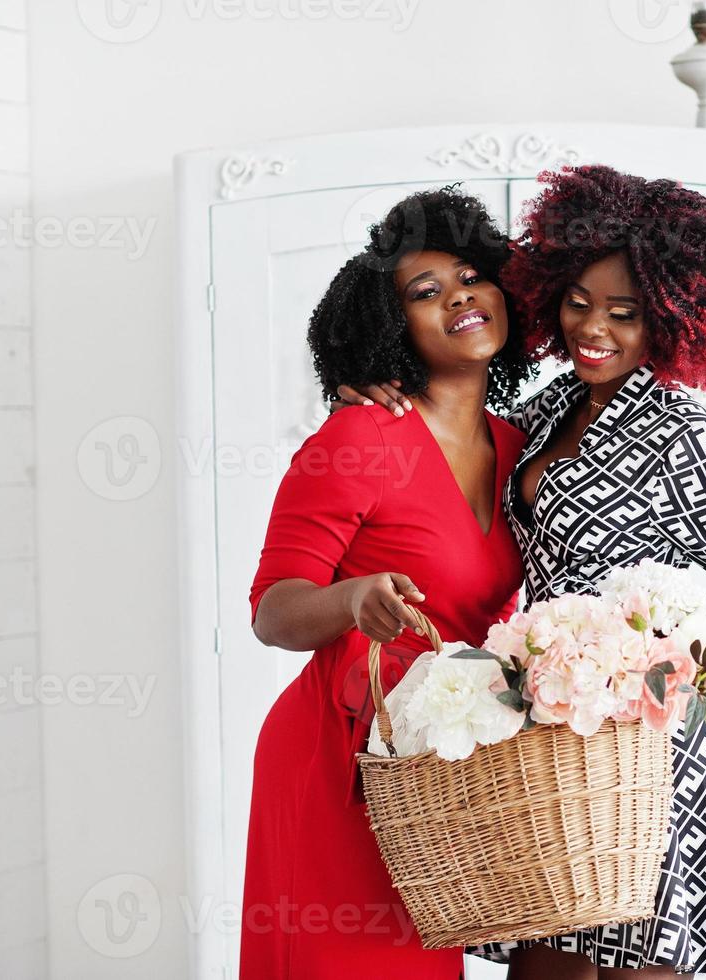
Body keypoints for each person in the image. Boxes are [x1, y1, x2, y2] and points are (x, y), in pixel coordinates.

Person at [336, 165, 706, 980]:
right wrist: (382, 390)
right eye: (578, 302)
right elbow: (459, 445)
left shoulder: (680, 434)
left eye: (624, 314)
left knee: (636, 966)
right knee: (545, 963)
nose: (594, 328)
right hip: (560, 744)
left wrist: (650, 650)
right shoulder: (554, 405)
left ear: (669, 318)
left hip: (656, 754)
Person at [241, 186, 534, 979]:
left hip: (437, 761)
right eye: (424, 292)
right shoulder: (361, 436)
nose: (459, 297)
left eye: (471, 275)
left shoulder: (525, 448)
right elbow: (272, 613)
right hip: (339, 762)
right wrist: (348, 599)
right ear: (389, 326)